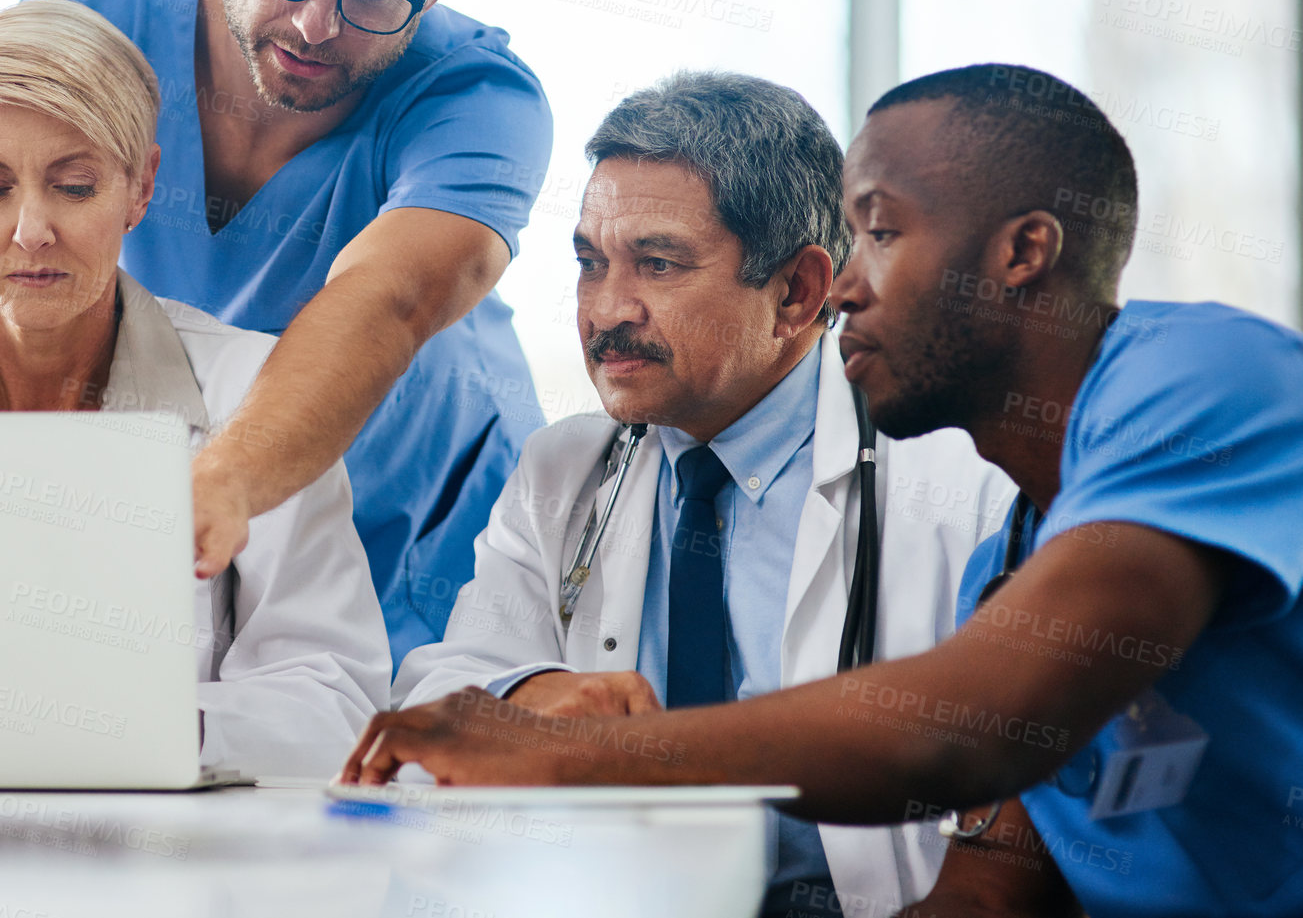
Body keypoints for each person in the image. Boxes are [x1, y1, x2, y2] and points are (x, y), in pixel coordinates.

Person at [341, 63, 1303, 918]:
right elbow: (990, 877)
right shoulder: (1010, 558)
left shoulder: (1209, 376)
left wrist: (564, 751)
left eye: (878, 233)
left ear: (1021, 254)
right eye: (591, 261)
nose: (846, 284)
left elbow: (959, 735)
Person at [388, 73, 1015, 915]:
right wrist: (541, 696)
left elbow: (1024, 764)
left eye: (656, 263)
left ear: (796, 292)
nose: (607, 309)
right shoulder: (562, 471)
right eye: (589, 262)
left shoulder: (954, 485)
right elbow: (443, 688)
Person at [23, 0, 553, 662]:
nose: (316, 23)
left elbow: (386, 300)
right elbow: (21, 252)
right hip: (193, 529)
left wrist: (217, 482)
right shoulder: (91, 5)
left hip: (430, 559)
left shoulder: (479, 100)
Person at [0, 0, 391, 780]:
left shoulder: (254, 394)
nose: (32, 229)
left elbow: (334, 702)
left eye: (73, 186)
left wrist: (118, 723)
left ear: (139, 188)